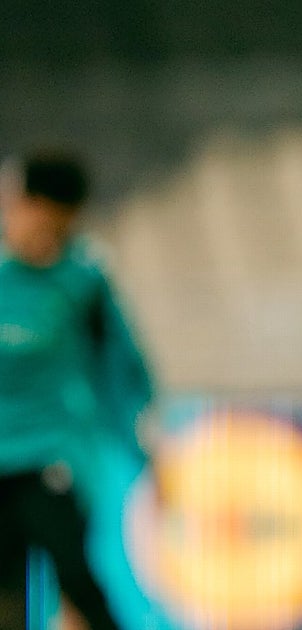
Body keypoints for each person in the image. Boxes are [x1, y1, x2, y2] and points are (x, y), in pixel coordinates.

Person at [0, 150, 156, 630]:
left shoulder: (83, 279)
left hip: (52, 454)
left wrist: (143, 436)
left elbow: (122, 367)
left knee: (75, 574)